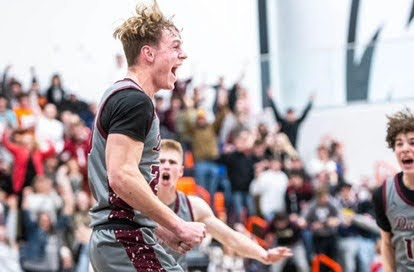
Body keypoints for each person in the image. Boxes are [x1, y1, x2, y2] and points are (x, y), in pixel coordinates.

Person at [88, 2, 206, 271]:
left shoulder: (121, 95)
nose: (183, 55)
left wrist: (162, 230)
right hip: (125, 240)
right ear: (148, 54)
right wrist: (177, 224)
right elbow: (121, 176)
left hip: (120, 237)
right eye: (175, 47)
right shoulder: (134, 101)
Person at [158, 139, 292, 271]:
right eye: (161, 161)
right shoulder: (139, 203)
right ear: (153, 167)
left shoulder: (194, 206)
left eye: (172, 162)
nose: (167, 166)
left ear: (181, 171)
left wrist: (264, 255)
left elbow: (230, 238)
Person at [373, 108, 414, 272]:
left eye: (412, 142)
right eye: (399, 143)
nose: (405, 148)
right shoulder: (383, 194)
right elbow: (387, 243)